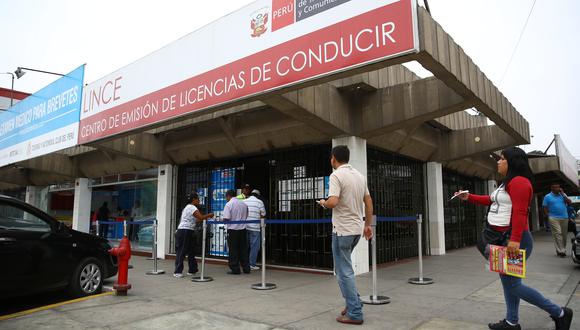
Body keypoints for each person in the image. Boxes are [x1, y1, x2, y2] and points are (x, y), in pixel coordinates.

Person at [456, 147, 573, 330]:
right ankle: (512, 321)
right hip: (504, 240)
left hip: (513, 240)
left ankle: (560, 313)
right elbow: (491, 200)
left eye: (502, 159)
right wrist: (469, 196)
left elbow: (520, 212)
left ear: (511, 161)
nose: (498, 162)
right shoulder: (507, 183)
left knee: (513, 285)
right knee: (508, 282)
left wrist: (515, 240)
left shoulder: (519, 182)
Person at [318, 145, 373, 325]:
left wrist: (323, 203)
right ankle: (353, 304)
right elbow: (368, 202)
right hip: (357, 229)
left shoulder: (336, 175)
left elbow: (333, 201)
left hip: (342, 230)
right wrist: (367, 225)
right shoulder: (359, 176)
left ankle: (355, 312)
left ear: (333, 158)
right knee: (346, 270)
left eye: (330, 158)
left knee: (344, 273)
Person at [174, 192, 214, 278]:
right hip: (185, 230)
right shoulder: (191, 207)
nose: (199, 201)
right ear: (194, 200)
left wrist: (204, 218)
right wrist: (209, 215)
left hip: (188, 230)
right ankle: (177, 271)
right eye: (198, 199)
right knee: (182, 251)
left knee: (191, 251)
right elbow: (200, 217)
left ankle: (192, 269)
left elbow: (195, 220)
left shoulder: (188, 208)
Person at [222, 189, 250, 274]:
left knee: (233, 250)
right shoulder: (244, 204)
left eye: (226, 197)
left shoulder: (228, 204)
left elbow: (226, 218)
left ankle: (235, 268)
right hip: (243, 229)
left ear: (228, 196)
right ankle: (246, 268)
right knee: (243, 249)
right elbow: (247, 215)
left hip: (233, 230)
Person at [543, 183, 572, 257]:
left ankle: (561, 248)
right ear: (551, 188)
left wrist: (563, 194)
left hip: (564, 217)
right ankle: (561, 250)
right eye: (555, 187)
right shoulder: (547, 196)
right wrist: (548, 215)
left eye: (558, 187)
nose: (557, 189)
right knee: (558, 233)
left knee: (564, 235)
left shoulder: (563, 195)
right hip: (553, 218)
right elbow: (545, 207)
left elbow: (569, 203)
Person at [244, 189, 266, 270]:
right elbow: (263, 214)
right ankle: (252, 264)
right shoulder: (259, 202)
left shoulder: (244, 201)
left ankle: (244, 263)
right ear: (258, 196)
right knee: (255, 246)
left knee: (245, 246)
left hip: (245, 226)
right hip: (255, 227)